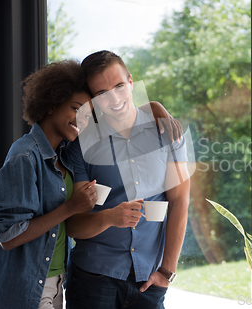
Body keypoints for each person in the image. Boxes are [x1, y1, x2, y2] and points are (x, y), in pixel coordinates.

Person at [0, 60, 180, 309]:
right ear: (52, 104)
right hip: (26, 284)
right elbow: (8, 237)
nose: (82, 120)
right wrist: (72, 208)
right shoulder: (24, 156)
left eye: (88, 115)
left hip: (55, 277)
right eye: (76, 109)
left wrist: (154, 107)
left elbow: (120, 110)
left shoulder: (63, 152)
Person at [65, 50, 190, 309]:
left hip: (149, 280)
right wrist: (108, 217)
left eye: (120, 86)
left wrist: (167, 271)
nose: (115, 99)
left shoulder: (168, 131)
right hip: (92, 278)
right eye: (101, 94)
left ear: (131, 82)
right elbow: (74, 225)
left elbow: (179, 201)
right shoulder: (82, 146)